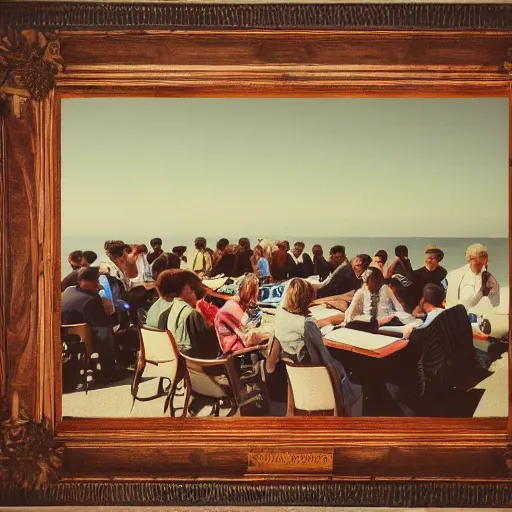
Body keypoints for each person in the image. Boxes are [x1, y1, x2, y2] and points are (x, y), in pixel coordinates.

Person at [273, 278, 363, 416]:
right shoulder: (307, 323)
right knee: (352, 378)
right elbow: (325, 359)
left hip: (296, 377)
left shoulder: (280, 314)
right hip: (318, 380)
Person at [61, 267, 128, 382]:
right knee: (105, 329)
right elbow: (102, 325)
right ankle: (110, 370)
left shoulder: (68, 291)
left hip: (64, 338)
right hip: (84, 342)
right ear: (95, 281)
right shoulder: (92, 298)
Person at [165, 270, 221, 359]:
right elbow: (210, 348)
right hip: (202, 364)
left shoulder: (174, 308)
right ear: (187, 289)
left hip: (185, 362)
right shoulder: (192, 314)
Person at [214, 273, 268, 354]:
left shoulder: (235, 304)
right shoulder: (233, 308)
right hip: (232, 348)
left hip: (234, 342)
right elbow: (246, 338)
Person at [445, 243, 500, 312]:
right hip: (455, 313)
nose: (484, 263)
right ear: (469, 259)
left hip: (475, 315)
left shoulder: (488, 278)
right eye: (479, 260)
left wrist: (493, 291)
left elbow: (495, 303)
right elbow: (449, 302)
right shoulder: (455, 275)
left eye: (485, 259)